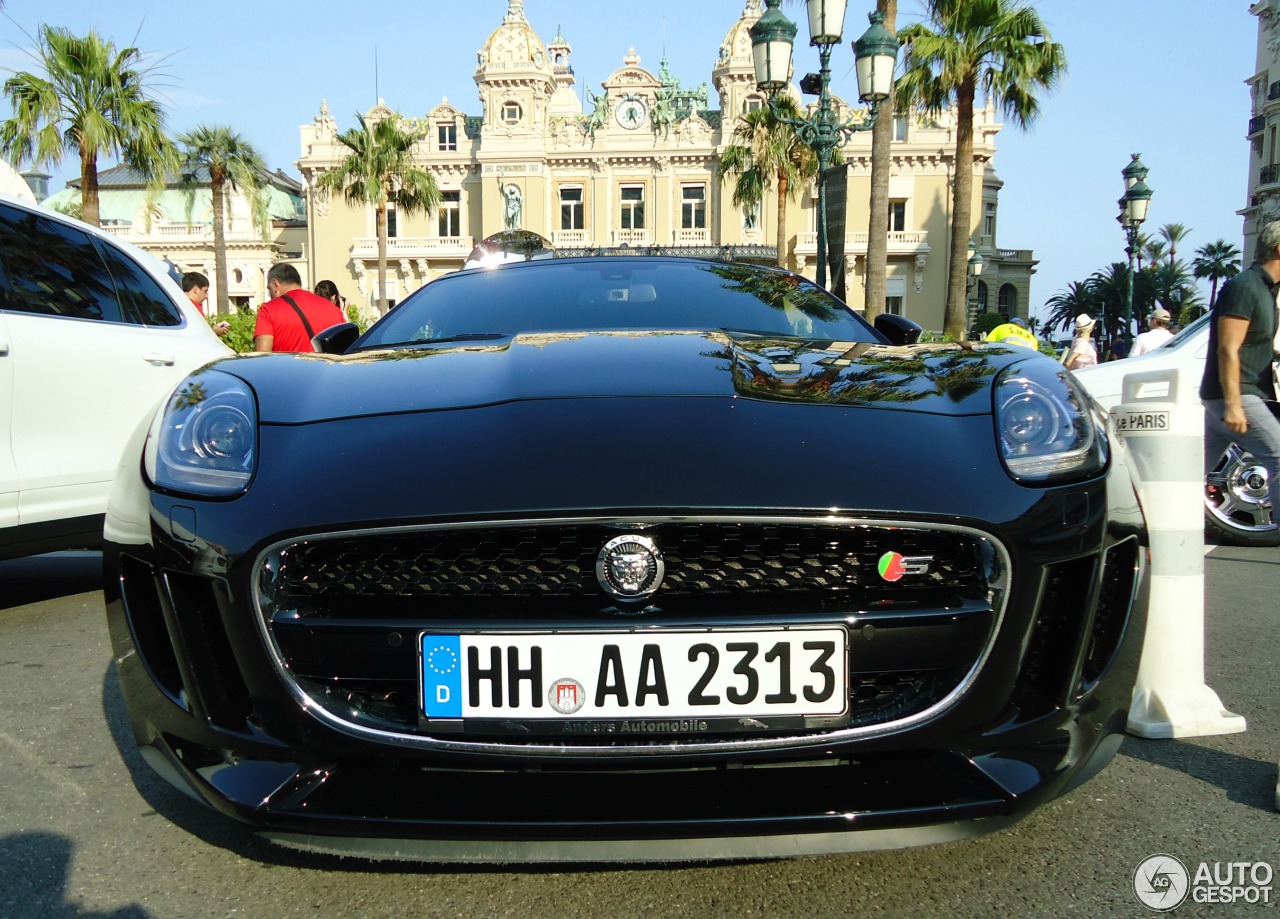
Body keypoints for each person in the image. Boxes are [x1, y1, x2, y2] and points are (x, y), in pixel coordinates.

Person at [1199, 220, 1280, 527]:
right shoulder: (1245, 287)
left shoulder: (1265, 290)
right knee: (1278, 457)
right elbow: (1228, 348)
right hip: (1236, 393)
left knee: (1191, 473)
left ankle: (1150, 523)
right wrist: (1233, 404)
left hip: (1233, 394)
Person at [253, 262, 346, 353]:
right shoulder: (334, 310)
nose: (270, 295)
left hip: (288, 368)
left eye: (269, 289)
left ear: (275, 284)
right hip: (325, 367)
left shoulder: (268, 310)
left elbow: (262, 358)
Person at [182, 271, 229, 336]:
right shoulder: (193, 308)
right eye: (205, 291)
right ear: (196, 289)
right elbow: (199, 335)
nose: (206, 296)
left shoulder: (180, 303)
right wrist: (214, 332)